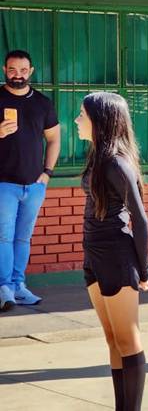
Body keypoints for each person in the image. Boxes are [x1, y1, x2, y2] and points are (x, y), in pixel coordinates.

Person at [74, 92, 148, 411]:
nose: (77, 120)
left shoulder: (118, 163)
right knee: (112, 339)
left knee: (128, 339)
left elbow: (141, 219)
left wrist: (144, 271)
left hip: (118, 257)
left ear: (100, 121)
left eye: (82, 115)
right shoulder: (98, 156)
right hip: (94, 256)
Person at [0, 50, 60, 310]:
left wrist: (47, 172)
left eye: (23, 71)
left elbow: (54, 139)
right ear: (4, 70)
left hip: (34, 185)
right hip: (3, 183)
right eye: (13, 70)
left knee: (23, 238)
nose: (18, 75)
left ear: (31, 72)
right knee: (3, 237)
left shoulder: (43, 103)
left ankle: (18, 285)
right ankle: (4, 288)